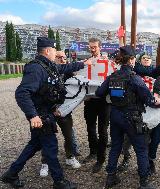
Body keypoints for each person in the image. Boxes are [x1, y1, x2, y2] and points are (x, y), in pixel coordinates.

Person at [0, 37, 91, 189]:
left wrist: (83, 63)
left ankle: (11, 174)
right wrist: (32, 115)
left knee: (34, 145)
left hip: (46, 112)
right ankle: (59, 181)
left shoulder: (48, 65)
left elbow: (63, 69)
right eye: (54, 50)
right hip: (41, 116)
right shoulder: (36, 68)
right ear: (48, 50)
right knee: (51, 147)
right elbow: (22, 93)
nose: (56, 54)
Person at [96, 45, 160, 189]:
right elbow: (149, 100)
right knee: (141, 149)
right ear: (131, 60)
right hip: (131, 118)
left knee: (115, 147)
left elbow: (99, 93)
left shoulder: (112, 76)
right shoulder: (135, 78)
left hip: (115, 116)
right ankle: (144, 182)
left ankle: (110, 177)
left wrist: (114, 94)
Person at [116, 26, 160, 171]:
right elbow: (124, 56)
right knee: (128, 137)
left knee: (149, 138)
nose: (146, 60)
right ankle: (126, 158)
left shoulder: (156, 73)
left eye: (149, 58)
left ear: (151, 61)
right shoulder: (135, 69)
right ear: (139, 60)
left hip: (151, 108)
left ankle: (148, 162)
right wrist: (120, 39)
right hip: (135, 107)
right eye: (144, 58)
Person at [39, 51, 81, 178]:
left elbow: (77, 85)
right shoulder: (44, 70)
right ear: (53, 58)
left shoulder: (68, 72)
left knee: (68, 135)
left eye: (64, 57)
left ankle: (70, 156)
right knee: (47, 136)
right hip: (48, 110)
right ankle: (45, 163)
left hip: (64, 109)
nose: (63, 60)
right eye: (59, 57)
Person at [82, 38, 110, 175]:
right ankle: (93, 152)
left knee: (102, 130)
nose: (92, 49)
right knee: (90, 128)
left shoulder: (107, 61)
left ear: (100, 47)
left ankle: (101, 158)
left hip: (104, 101)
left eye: (94, 47)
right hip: (90, 100)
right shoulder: (86, 61)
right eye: (90, 47)